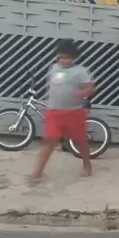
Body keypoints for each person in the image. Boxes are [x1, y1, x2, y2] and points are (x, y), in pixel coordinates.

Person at [30, 39, 95, 180]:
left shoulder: (80, 71)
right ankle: (37, 171)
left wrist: (81, 93)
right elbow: (52, 87)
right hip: (54, 112)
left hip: (74, 113)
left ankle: (87, 164)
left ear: (74, 57)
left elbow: (90, 88)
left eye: (68, 58)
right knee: (49, 139)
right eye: (61, 57)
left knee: (80, 141)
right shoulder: (53, 68)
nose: (64, 60)